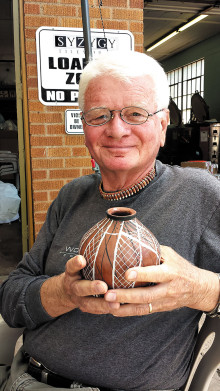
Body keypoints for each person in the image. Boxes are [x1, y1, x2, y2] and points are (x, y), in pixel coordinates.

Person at [0, 51, 219, 391]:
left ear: (162, 127)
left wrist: (201, 288)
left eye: (135, 113)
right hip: (26, 378)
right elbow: (12, 297)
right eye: (100, 116)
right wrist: (64, 291)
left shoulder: (199, 195)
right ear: (85, 127)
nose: (117, 130)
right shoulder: (72, 196)